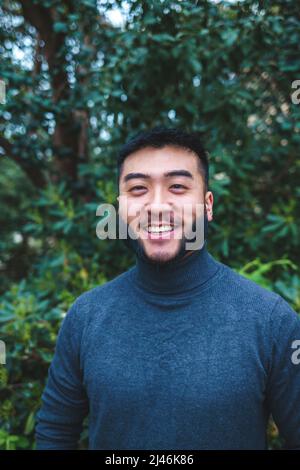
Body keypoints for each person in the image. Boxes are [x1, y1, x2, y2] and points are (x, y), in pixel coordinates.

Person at [35, 127, 300, 450]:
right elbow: (54, 435)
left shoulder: (271, 321)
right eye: (137, 189)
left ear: (207, 205)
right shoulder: (86, 316)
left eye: (177, 186)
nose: (157, 206)